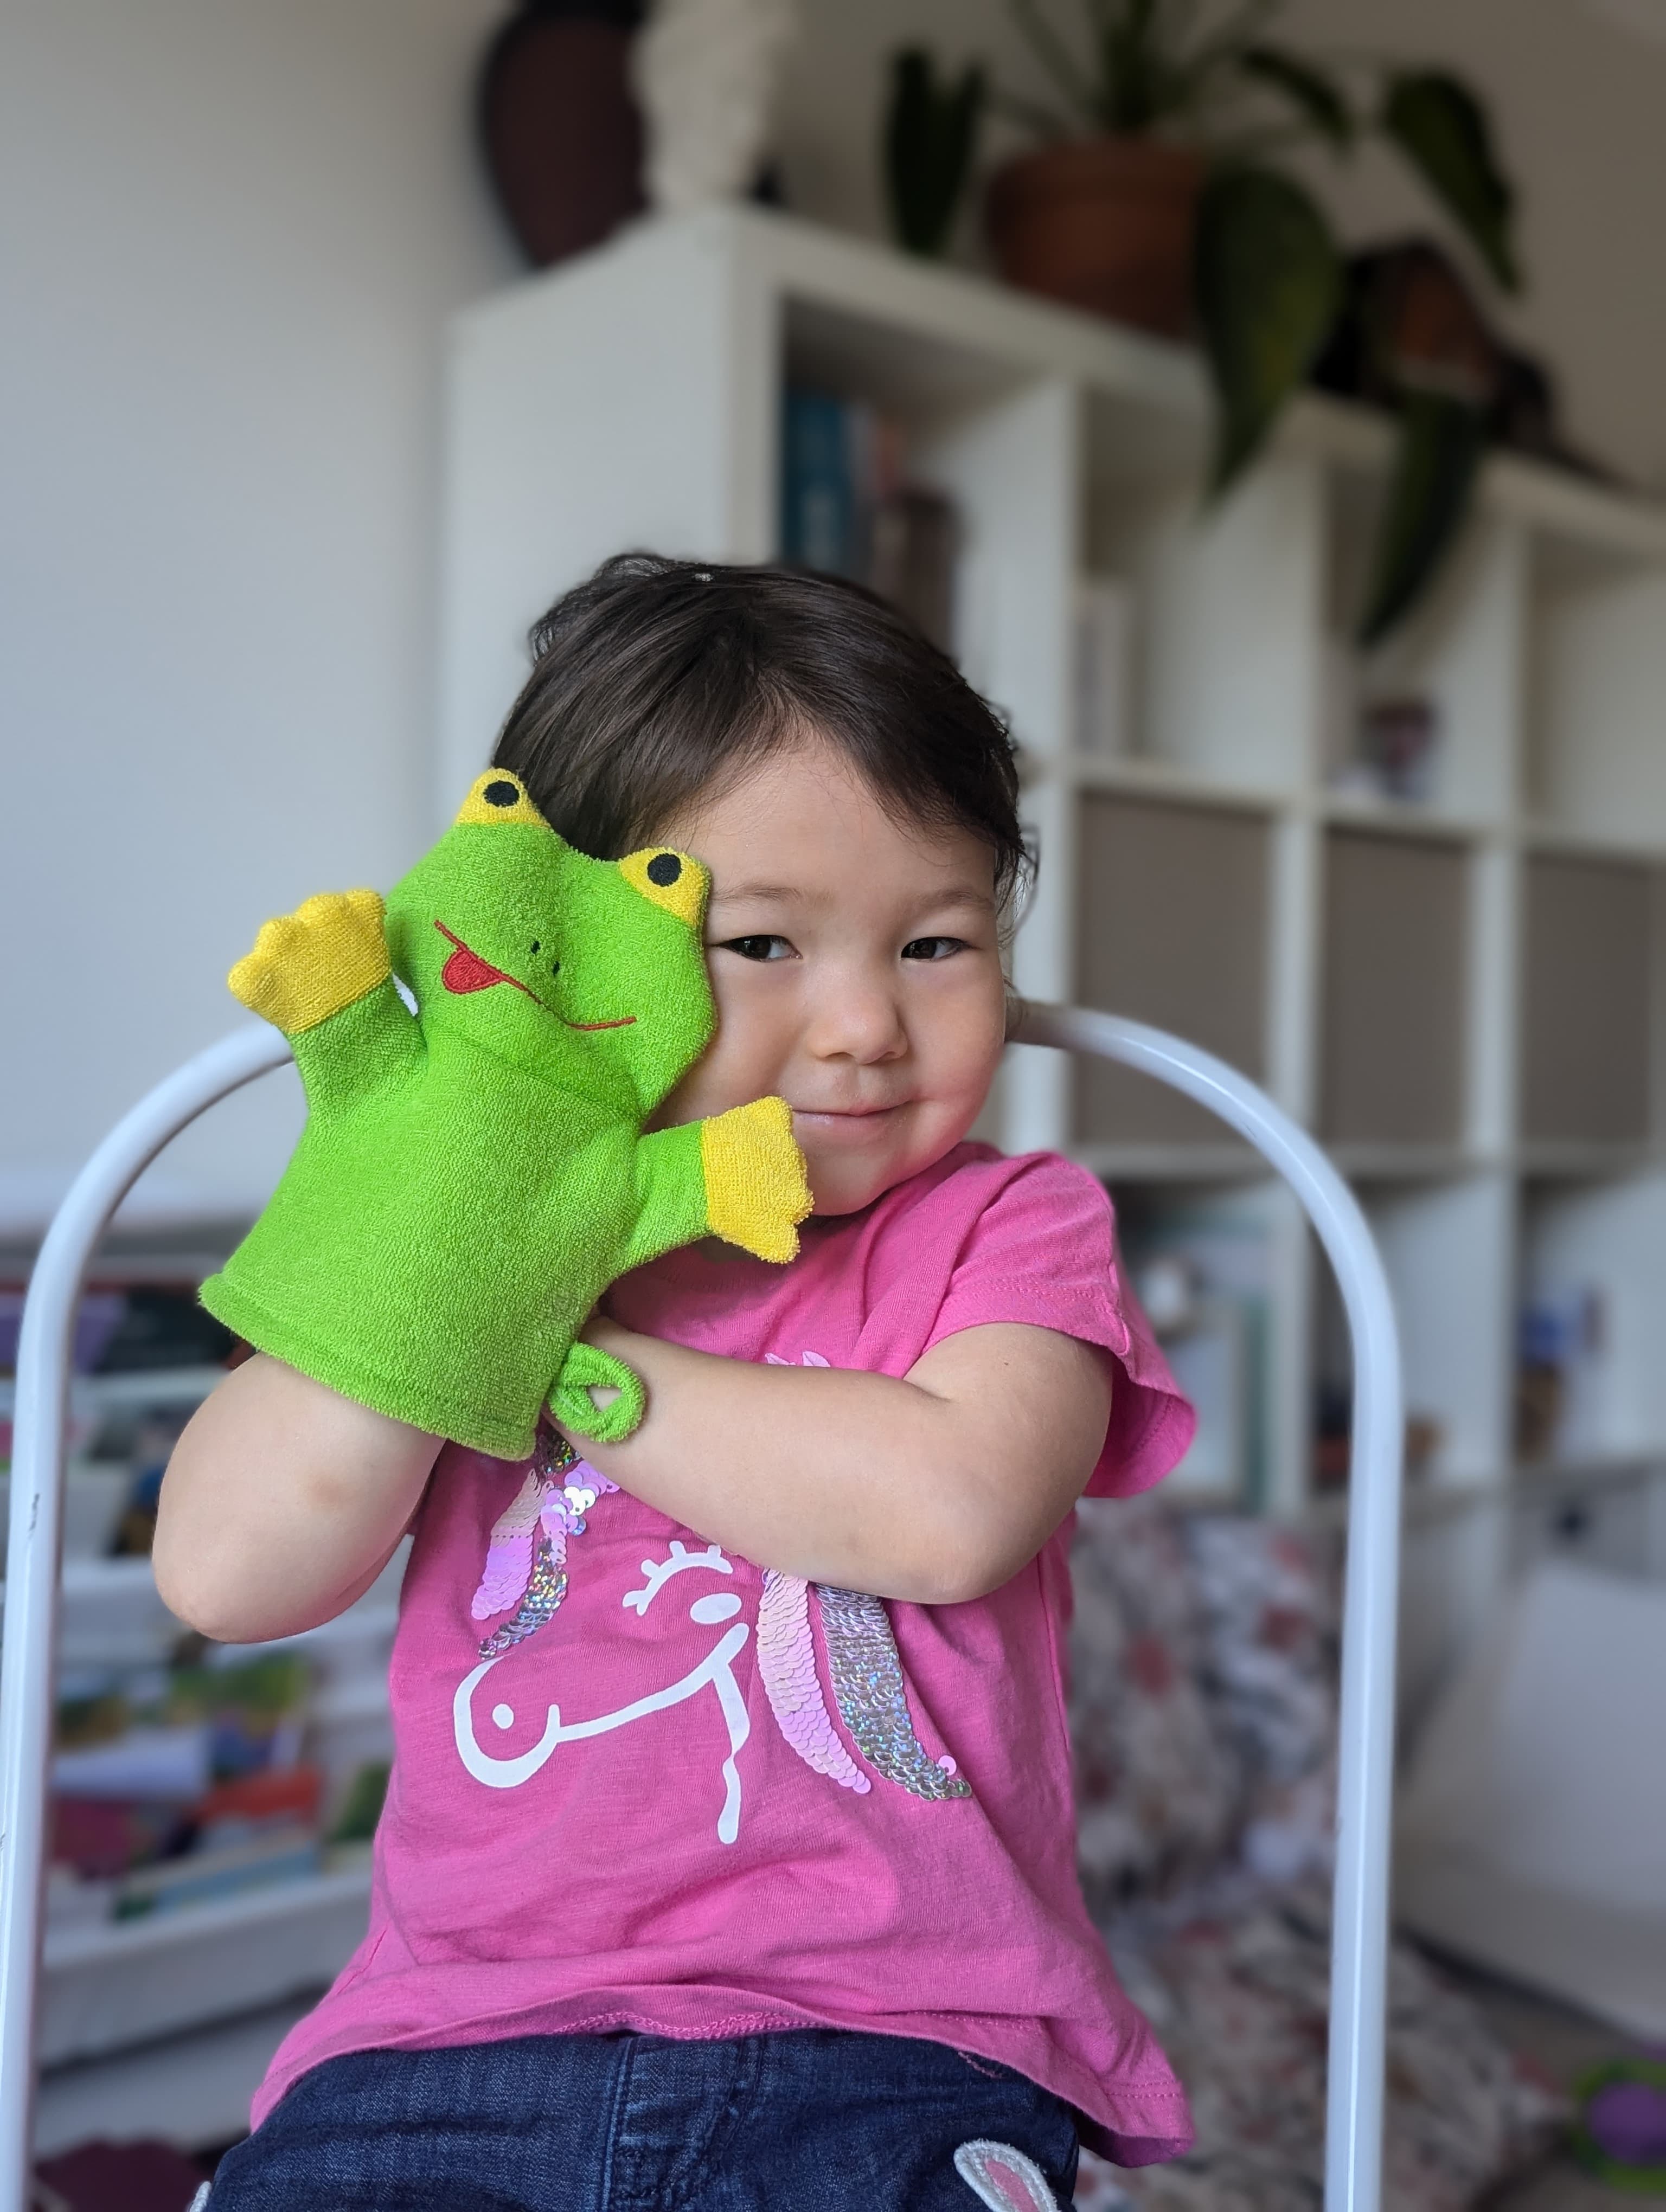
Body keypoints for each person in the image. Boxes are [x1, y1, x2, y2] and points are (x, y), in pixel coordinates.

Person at [158, 554, 1196, 2211]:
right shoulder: (451, 1247)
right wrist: (454, 1251)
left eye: (937, 941)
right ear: (582, 948)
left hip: (893, 2039)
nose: (863, 1025)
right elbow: (225, 1574)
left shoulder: (1011, 1222)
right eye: (762, 941)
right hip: (446, 2044)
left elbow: (950, 1512)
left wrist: (560, 1358)